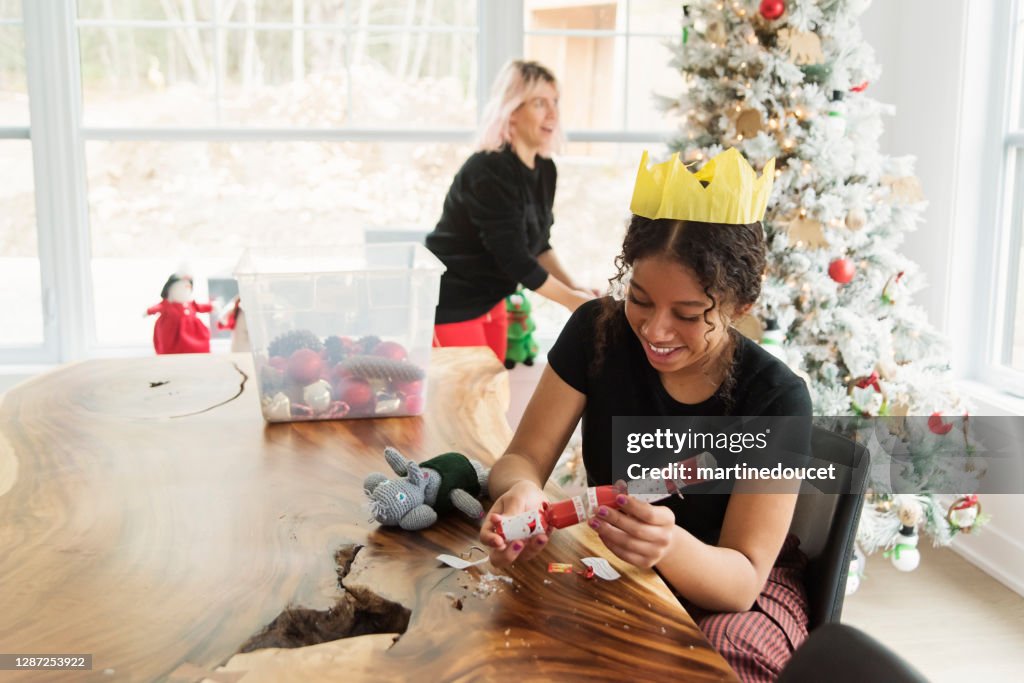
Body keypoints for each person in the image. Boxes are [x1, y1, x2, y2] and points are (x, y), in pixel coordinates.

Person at [480, 148, 813, 683]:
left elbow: (743, 579)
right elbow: (522, 457)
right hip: (622, 563)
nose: (655, 331)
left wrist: (668, 545)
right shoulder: (597, 333)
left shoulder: (775, 398)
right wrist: (524, 491)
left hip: (734, 591)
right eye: (639, 299)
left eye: (687, 315)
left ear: (740, 306)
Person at [425, 60, 596, 363]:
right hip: (454, 304)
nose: (553, 114)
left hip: (495, 301)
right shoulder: (487, 170)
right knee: (463, 403)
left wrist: (575, 288)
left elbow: (539, 246)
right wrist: (574, 302)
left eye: (555, 102)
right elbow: (515, 258)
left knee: (491, 399)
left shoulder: (545, 169)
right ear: (512, 111)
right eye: (540, 103)